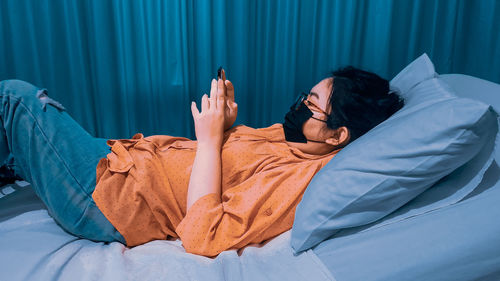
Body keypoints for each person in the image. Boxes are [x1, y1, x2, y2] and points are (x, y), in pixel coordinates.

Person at [0, 66, 403, 258]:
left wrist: (210, 141)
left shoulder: (299, 179)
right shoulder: (292, 139)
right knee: (18, 135)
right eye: (307, 95)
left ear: (337, 135)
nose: (301, 105)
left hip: (109, 198)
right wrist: (227, 127)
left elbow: (204, 234)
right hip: (118, 163)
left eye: (312, 105)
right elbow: (232, 170)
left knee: (15, 99)